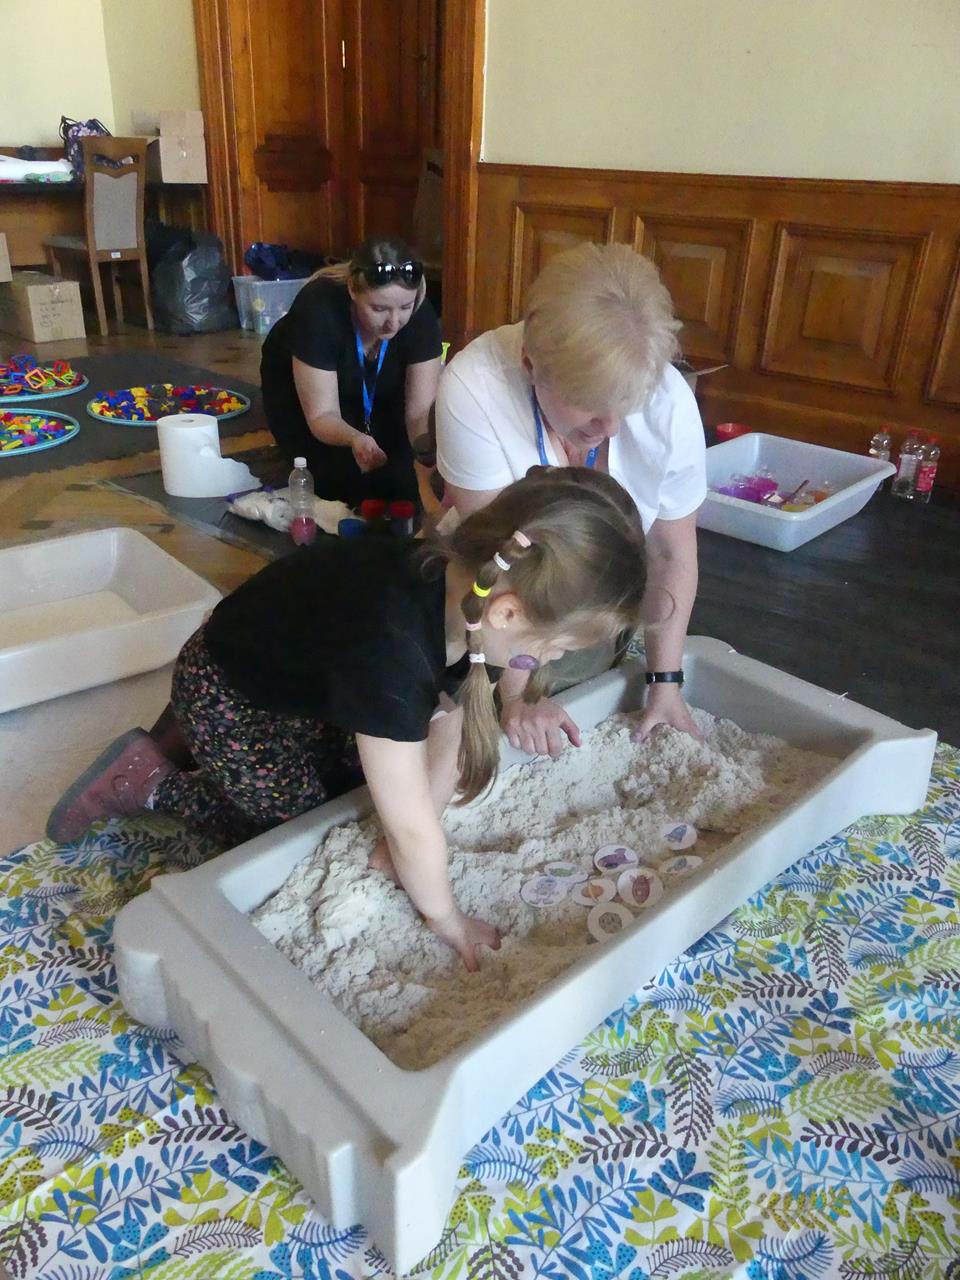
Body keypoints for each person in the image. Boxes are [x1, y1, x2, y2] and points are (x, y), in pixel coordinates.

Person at [47, 468, 647, 971]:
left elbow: (455, 716)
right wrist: (445, 915)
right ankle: (151, 780)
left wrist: (412, 825)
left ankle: (190, 746)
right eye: (555, 649)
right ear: (509, 613)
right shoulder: (392, 650)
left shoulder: (469, 596)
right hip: (231, 693)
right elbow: (410, 827)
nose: (552, 662)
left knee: (362, 795)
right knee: (292, 832)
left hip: (313, 680)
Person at [435, 240, 706, 757]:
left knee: (590, 672)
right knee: (456, 716)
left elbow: (671, 553)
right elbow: (501, 569)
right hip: (497, 600)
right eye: (591, 407)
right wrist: (520, 697)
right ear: (530, 364)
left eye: (627, 405)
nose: (612, 427)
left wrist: (666, 682)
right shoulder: (474, 386)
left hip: (587, 602)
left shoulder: (668, 400)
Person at [261, 235, 442, 507]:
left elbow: (419, 412)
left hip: (379, 388)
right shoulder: (317, 308)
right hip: (306, 398)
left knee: (405, 484)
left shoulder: (420, 314)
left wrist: (428, 458)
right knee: (344, 486)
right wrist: (355, 438)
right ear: (353, 291)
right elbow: (322, 415)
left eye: (404, 308)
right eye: (379, 309)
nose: (393, 323)